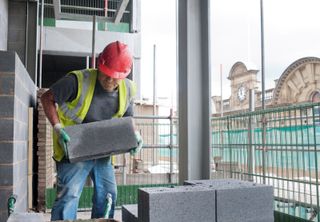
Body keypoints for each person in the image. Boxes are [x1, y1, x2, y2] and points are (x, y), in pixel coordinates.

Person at [41, 41, 143, 221]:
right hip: (74, 149)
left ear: (125, 74)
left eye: (115, 77)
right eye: (106, 75)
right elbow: (47, 98)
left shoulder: (128, 88)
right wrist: (58, 128)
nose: (109, 80)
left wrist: (135, 135)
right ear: (99, 65)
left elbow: (128, 119)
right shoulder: (77, 81)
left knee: (108, 195)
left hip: (102, 151)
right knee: (69, 196)